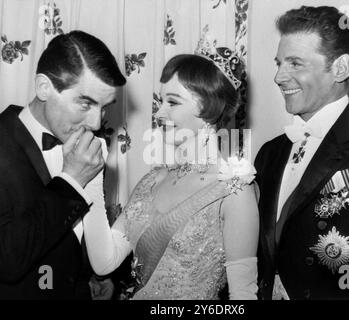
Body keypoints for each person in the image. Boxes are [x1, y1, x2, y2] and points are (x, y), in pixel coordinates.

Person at [84, 45, 259, 299]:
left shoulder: (234, 190)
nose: (159, 113)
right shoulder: (151, 181)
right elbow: (104, 262)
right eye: (160, 101)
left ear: (209, 107)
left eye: (173, 102)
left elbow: (243, 296)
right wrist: (89, 180)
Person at [255, 5, 349, 300]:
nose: (279, 76)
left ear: (340, 68)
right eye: (279, 63)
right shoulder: (270, 153)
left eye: (295, 63)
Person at [0, 30, 126, 299]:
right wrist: (70, 182)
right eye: (85, 103)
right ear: (44, 87)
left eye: (104, 108)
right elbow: (7, 259)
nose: (96, 123)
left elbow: (70, 236)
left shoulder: (82, 144)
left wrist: (90, 275)